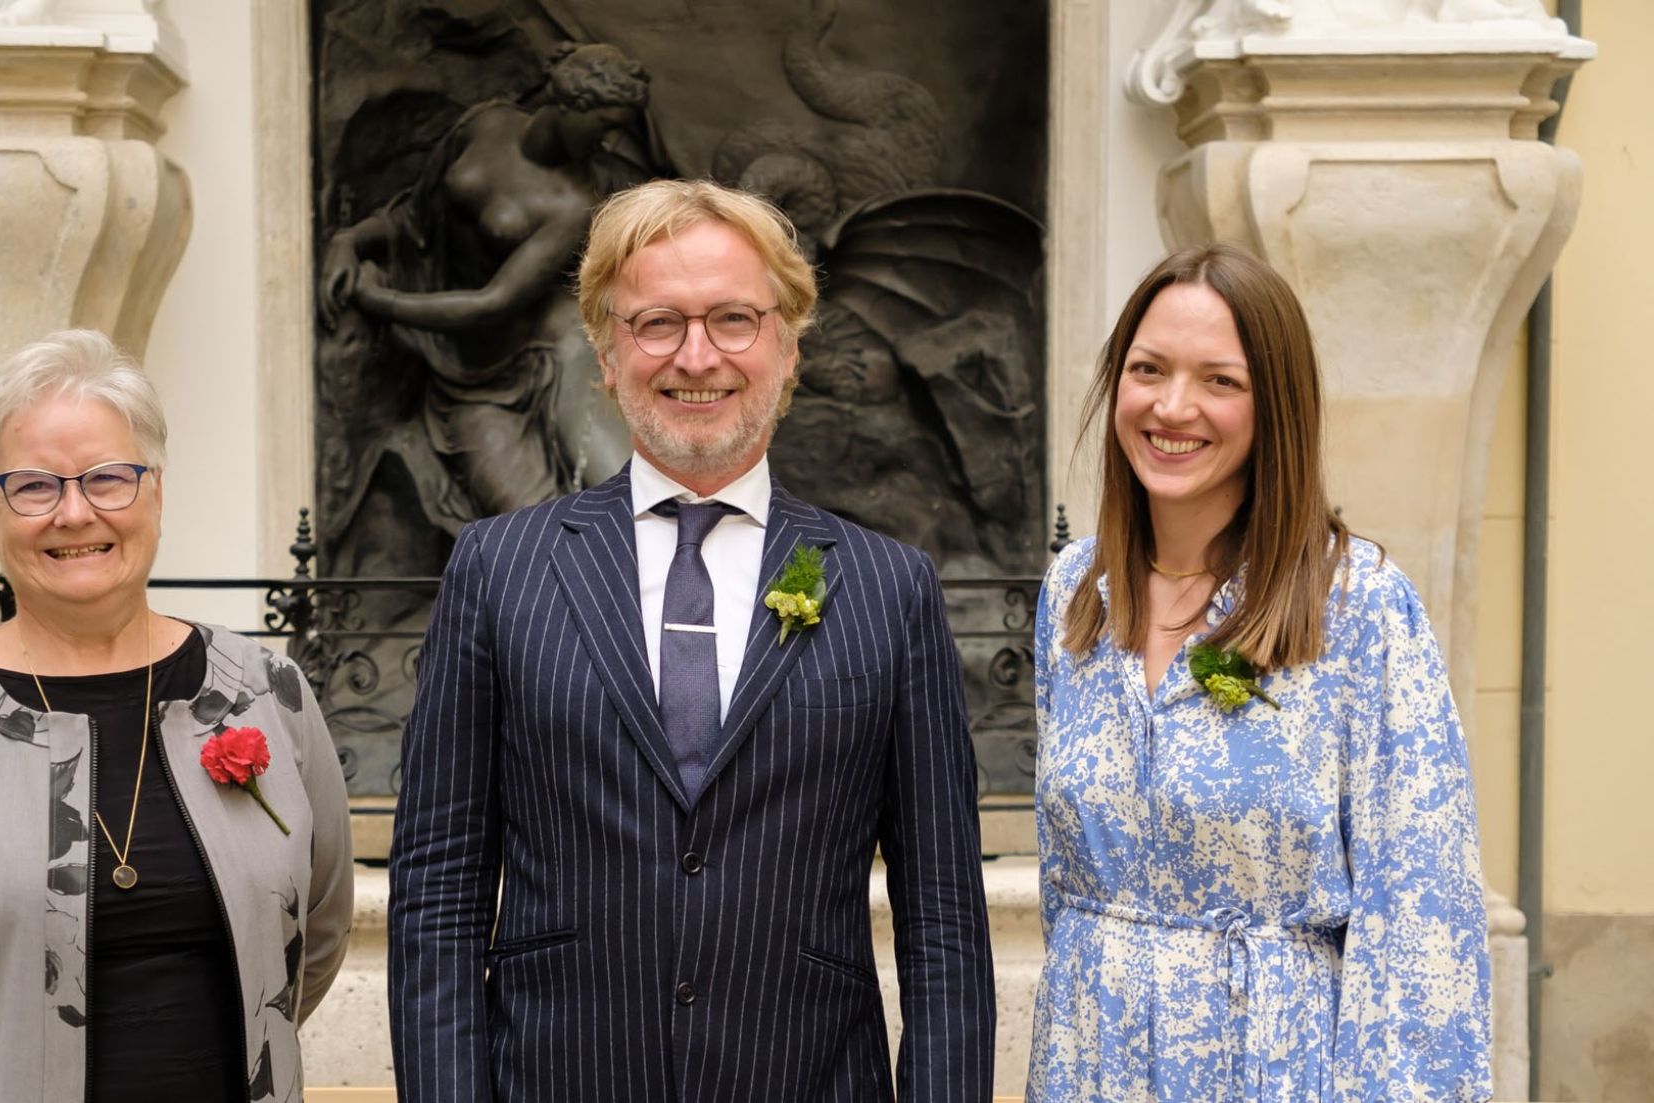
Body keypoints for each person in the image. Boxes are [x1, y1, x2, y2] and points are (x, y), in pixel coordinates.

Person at [388, 179, 996, 1102]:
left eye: (734, 319)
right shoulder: (497, 569)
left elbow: (944, 916)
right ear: (605, 350)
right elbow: (438, 892)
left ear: (789, 344)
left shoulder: (888, 589)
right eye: (657, 322)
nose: (697, 354)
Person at [0, 331, 354, 1103]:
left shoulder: (266, 691)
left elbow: (316, 932)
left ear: (154, 490)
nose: (75, 511)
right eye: (34, 485)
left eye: (108, 478)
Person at [1029, 244, 1492, 1101]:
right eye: (1148, 369)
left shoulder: (1361, 609)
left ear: (1274, 404)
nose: (1173, 406)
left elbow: (1423, 924)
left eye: (1220, 381)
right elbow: (1064, 883)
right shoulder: (1075, 591)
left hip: (1271, 1068)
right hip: (1088, 1062)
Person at [319, 42, 649, 535]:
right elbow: (414, 218)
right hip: (464, 372)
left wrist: (378, 302)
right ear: (571, 103)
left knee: (572, 511)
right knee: (522, 525)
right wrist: (351, 240)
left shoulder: (573, 202)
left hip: (536, 360)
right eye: (606, 124)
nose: (610, 141)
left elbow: (491, 304)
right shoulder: (485, 123)